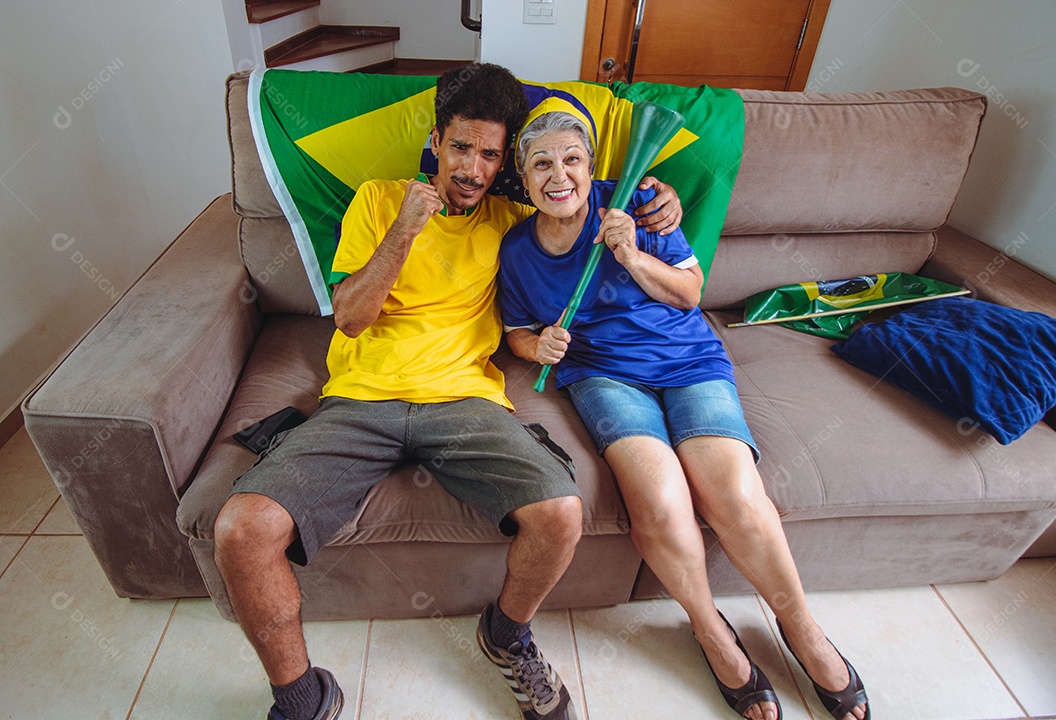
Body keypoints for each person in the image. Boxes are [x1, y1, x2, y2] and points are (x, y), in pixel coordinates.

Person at [213, 64, 682, 720]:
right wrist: (405, 229)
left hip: (465, 401)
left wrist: (661, 201)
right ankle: (301, 698)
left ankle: (505, 634)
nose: (473, 168)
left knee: (561, 514)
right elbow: (349, 317)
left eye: (490, 154)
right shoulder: (379, 199)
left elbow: (585, 197)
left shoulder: (513, 219)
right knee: (239, 529)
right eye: (462, 147)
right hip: (361, 400)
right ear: (437, 140)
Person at [497, 108, 871, 720]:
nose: (558, 175)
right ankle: (709, 629)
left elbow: (690, 293)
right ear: (524, 177)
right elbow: (515, 330)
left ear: (592, 168)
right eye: (541, 163)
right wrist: (534, 346)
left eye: (572, 160)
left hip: (690, 360)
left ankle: (802, 629)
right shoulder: (516, 250)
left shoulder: (641, 202)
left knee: (735, 497)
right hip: (602, 374)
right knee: (661, 502)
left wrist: (632, 256)